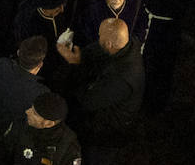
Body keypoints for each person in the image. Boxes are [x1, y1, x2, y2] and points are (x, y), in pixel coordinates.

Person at [57, 18, 143, 165]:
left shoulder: (123, 78)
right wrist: (81, 56)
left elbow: (88, 101)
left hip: (107, 134)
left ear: (110, 44)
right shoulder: (126, 45)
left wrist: (75, 65)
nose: (98, 37)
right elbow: (97, 50)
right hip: (101, 115)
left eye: (100, 36)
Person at [0, 92, 81, 165]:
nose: (27, 112)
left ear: (48, 123)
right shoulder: (20, 125)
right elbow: (4, 154)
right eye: (31, 108)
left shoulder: (68, 148)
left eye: (35, 113)